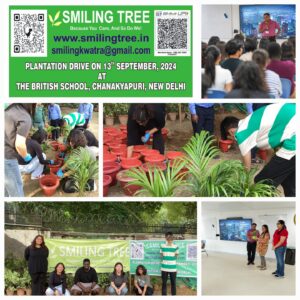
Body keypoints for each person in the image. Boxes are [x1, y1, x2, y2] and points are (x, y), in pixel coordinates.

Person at [220, 103, 296, 197]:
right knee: (289, 182)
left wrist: (244, 185)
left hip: (294, 139)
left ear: (231, 131)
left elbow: (247, 163)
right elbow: (270, 151)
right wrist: (267, 167)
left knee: (261, 181)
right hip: (293, 117)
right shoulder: (252, 123)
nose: (234, 140)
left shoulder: (241, 133)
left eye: (230, 138)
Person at [5, 104, 33, 197]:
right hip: (7, 157)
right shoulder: (24, 116)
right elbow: (20, 145)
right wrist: (26, 157)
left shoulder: (8, 110)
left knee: (6, 188)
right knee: (16, 189)